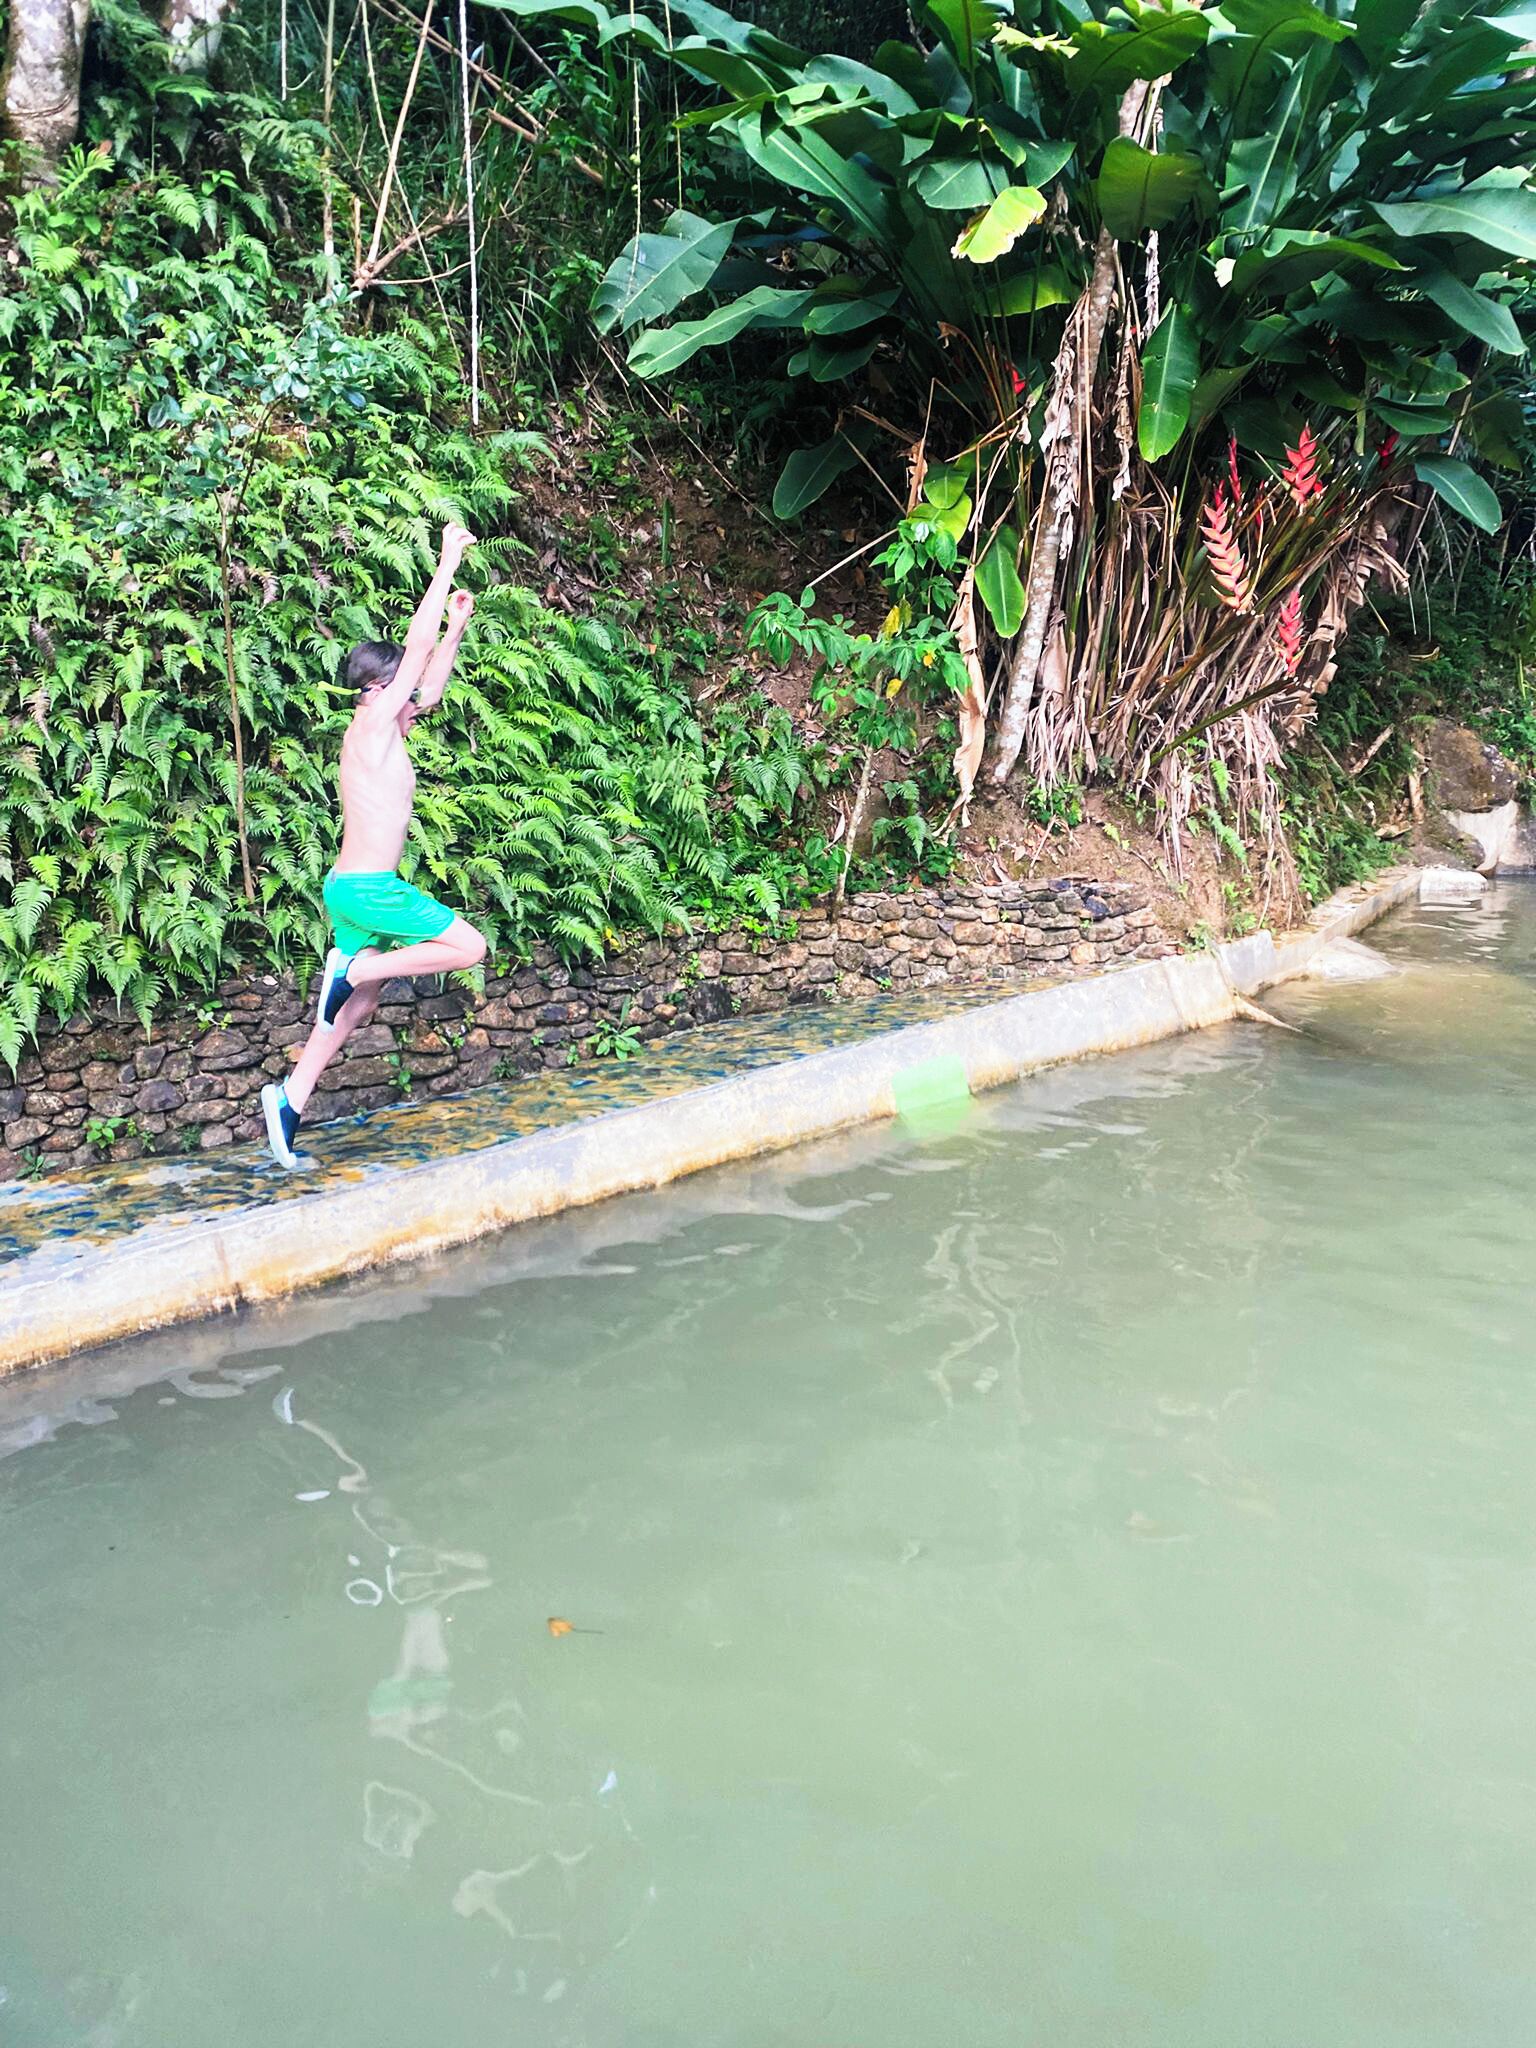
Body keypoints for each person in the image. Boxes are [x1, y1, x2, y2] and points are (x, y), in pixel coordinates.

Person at [260, 521, 488, 1168]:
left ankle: (290, 1099)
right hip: (370, 888)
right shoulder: (372, 721)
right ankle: (353, 968)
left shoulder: (386, 727)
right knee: (467, 948)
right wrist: (445, 567)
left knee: (354, 1012)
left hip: (350, 890)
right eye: (403, 688)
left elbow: (432, 685)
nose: (416, 699)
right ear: (378, 689)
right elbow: (414, 655)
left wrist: (458, 628)